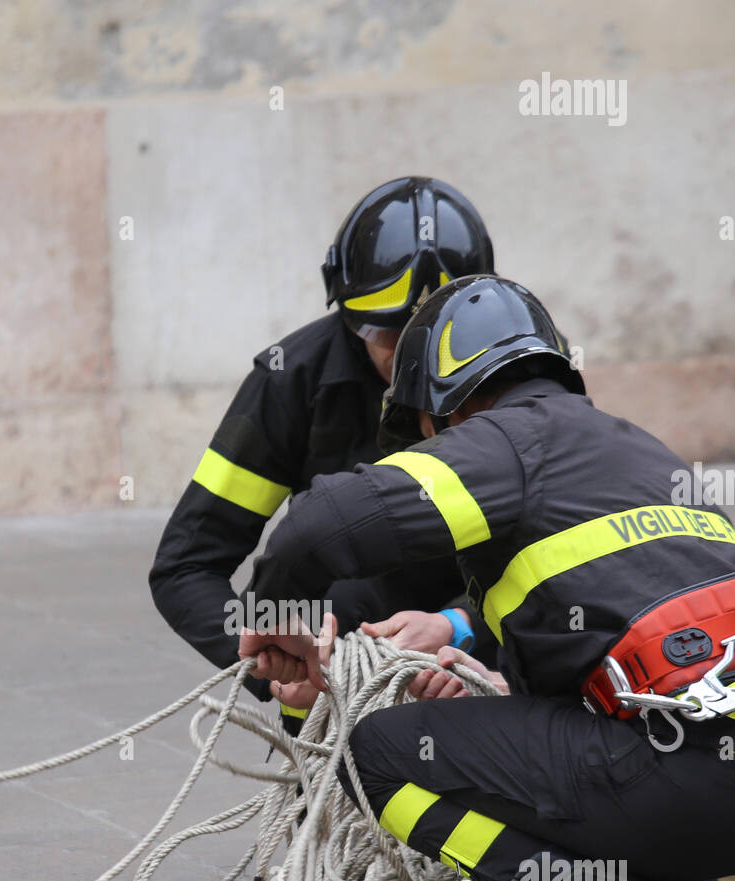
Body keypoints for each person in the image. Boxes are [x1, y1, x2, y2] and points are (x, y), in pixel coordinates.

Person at [237, 276, 735, 881]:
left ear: (443, 407)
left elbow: (314, 528)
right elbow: (617, 645)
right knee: (616, 734)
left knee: (380, 758)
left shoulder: (496, 442)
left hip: (696, 783)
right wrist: (469, 659)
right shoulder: (635, 450)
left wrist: (278, 625)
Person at [150, 177, 498, 724]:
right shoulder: (292, 382)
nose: (412, 364)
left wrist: (457, 624)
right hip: (328, 707)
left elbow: (572, 553)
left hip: (483, 685)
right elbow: (187, 566)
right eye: (391, 337)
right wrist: (280, 659)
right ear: (351, 313)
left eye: (432, 342)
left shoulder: (518, 376)